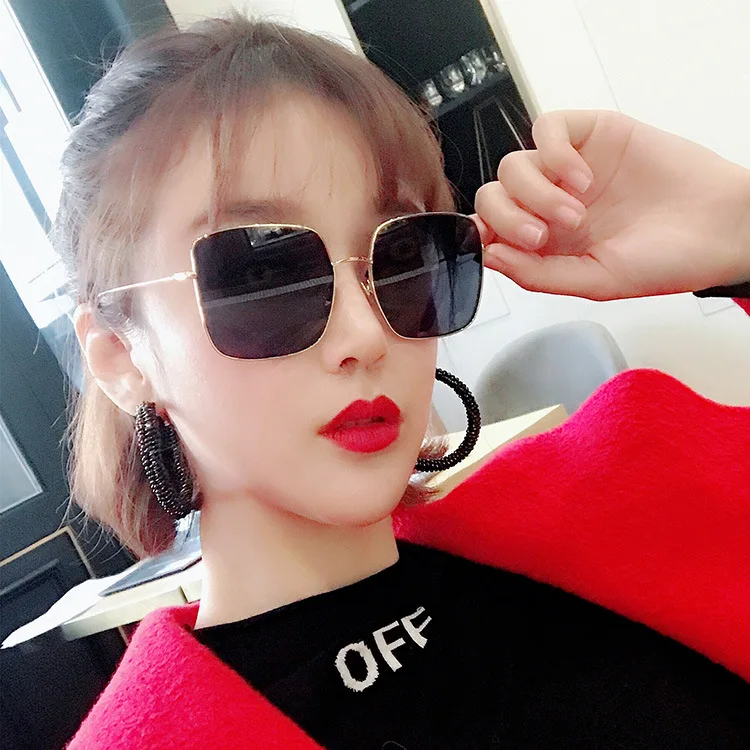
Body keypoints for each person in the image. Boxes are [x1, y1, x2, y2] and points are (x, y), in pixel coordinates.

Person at [59, 13, 750, 750]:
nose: (364, 335)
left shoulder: (628, 489)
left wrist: (739, 232)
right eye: (264, 274)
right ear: (120, 355)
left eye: (401, 258)